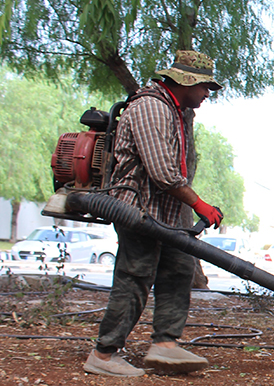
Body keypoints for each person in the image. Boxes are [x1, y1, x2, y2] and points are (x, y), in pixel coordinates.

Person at [83, 50, 225, 377]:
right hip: (137, 206)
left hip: (164, 213)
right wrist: (198, 204)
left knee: (179, 266)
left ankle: (166, 345)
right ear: (186, 82)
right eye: (205, 86)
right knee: (136, 276)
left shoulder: (175, 112)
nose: (207, 94)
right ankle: (104, 354)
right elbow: (162, 172)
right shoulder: (150, 107)